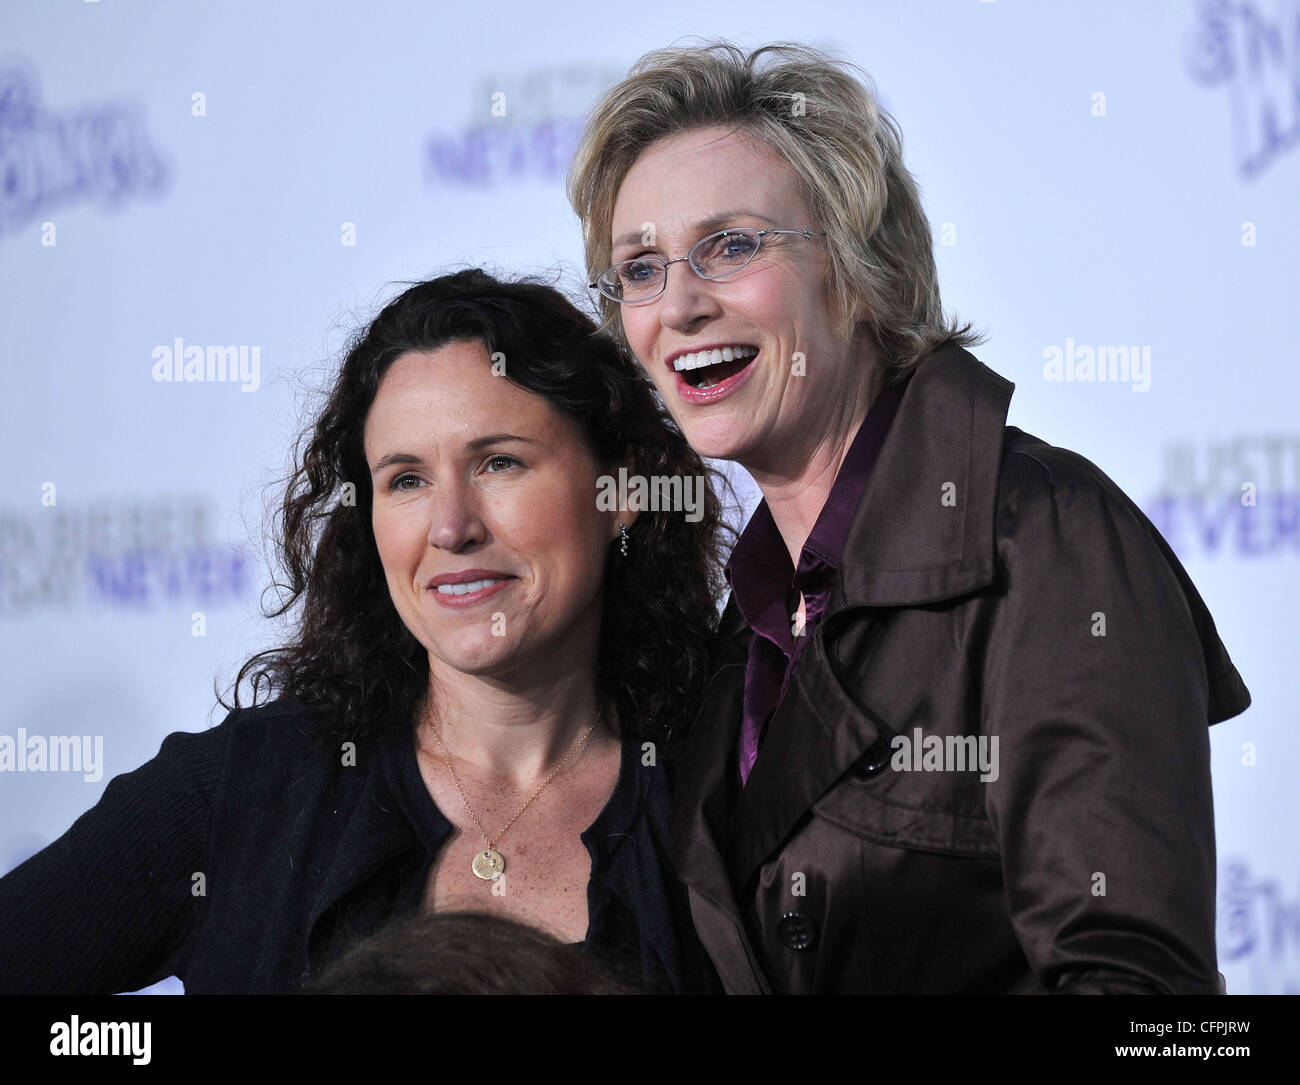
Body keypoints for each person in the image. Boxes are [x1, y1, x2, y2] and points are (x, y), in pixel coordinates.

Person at [566, 40, 1252, 994]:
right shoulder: (748, 625)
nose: (677, 303)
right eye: (639, 268)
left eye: (730, 246)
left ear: (855, 269)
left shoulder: (1044, 538)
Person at [0, 269, 729, 995]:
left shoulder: (731, 792)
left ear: (624, 492)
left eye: (499, 462)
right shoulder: (241, 792)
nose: (451, 526)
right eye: (406, 479)